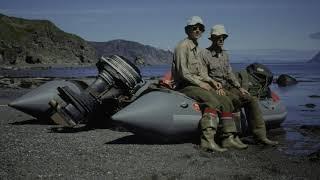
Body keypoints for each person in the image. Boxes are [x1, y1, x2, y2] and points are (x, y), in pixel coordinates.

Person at [171, 16, 246, 152]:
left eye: (200, 28)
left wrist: (213, 82)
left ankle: (228, 138)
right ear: (188, 30)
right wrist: (201, 84)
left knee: (226, 100)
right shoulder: (182, 47)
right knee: (213, 101)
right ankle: (207, 141)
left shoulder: (197, 48)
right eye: (195, 28)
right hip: (185, 85)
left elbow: (202, 73)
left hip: (196, 83)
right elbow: (184, 73)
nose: (198, 30)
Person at [200, 24, 278, 145]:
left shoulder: (225, 54)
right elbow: (203, 75)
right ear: (212, 38)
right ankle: (233, 136)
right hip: (214, 87)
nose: (221, 39)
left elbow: (229, 73)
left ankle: (260, 136)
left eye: (223, 37)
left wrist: (239, 87)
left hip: (228, 86)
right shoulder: (204, 54)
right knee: (233, 101)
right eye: (219, 37)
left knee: (250, 99)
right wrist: (216, 87)